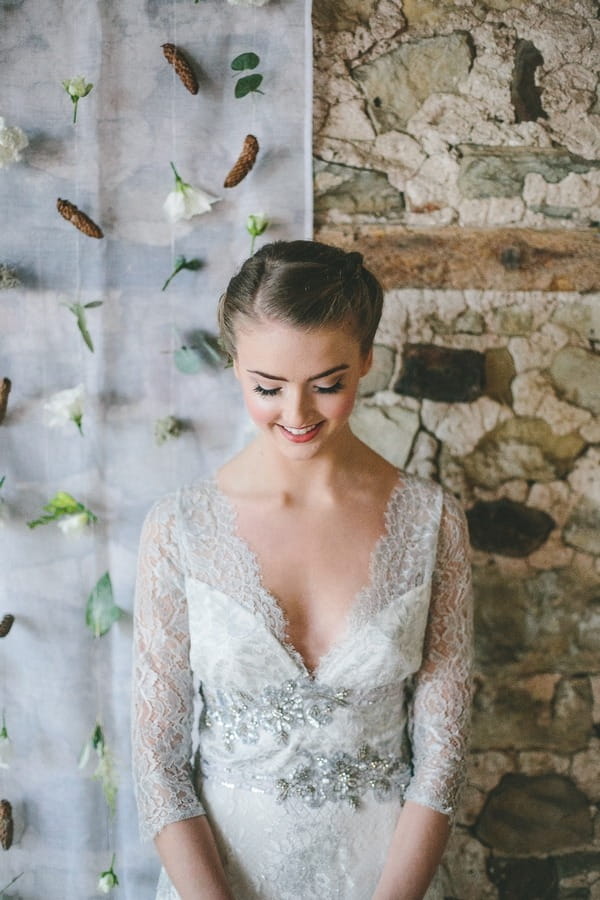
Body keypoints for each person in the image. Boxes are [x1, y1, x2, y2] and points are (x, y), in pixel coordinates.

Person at [131, 240, 473, 900]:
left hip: (384, 878)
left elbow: (443, 756)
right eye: (268, 387)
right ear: (235, 367)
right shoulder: (178, 528)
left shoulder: (434, 521)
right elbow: (156, 760)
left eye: (327, 385)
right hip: (219, 882)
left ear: (367, 360)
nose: (296, 414)